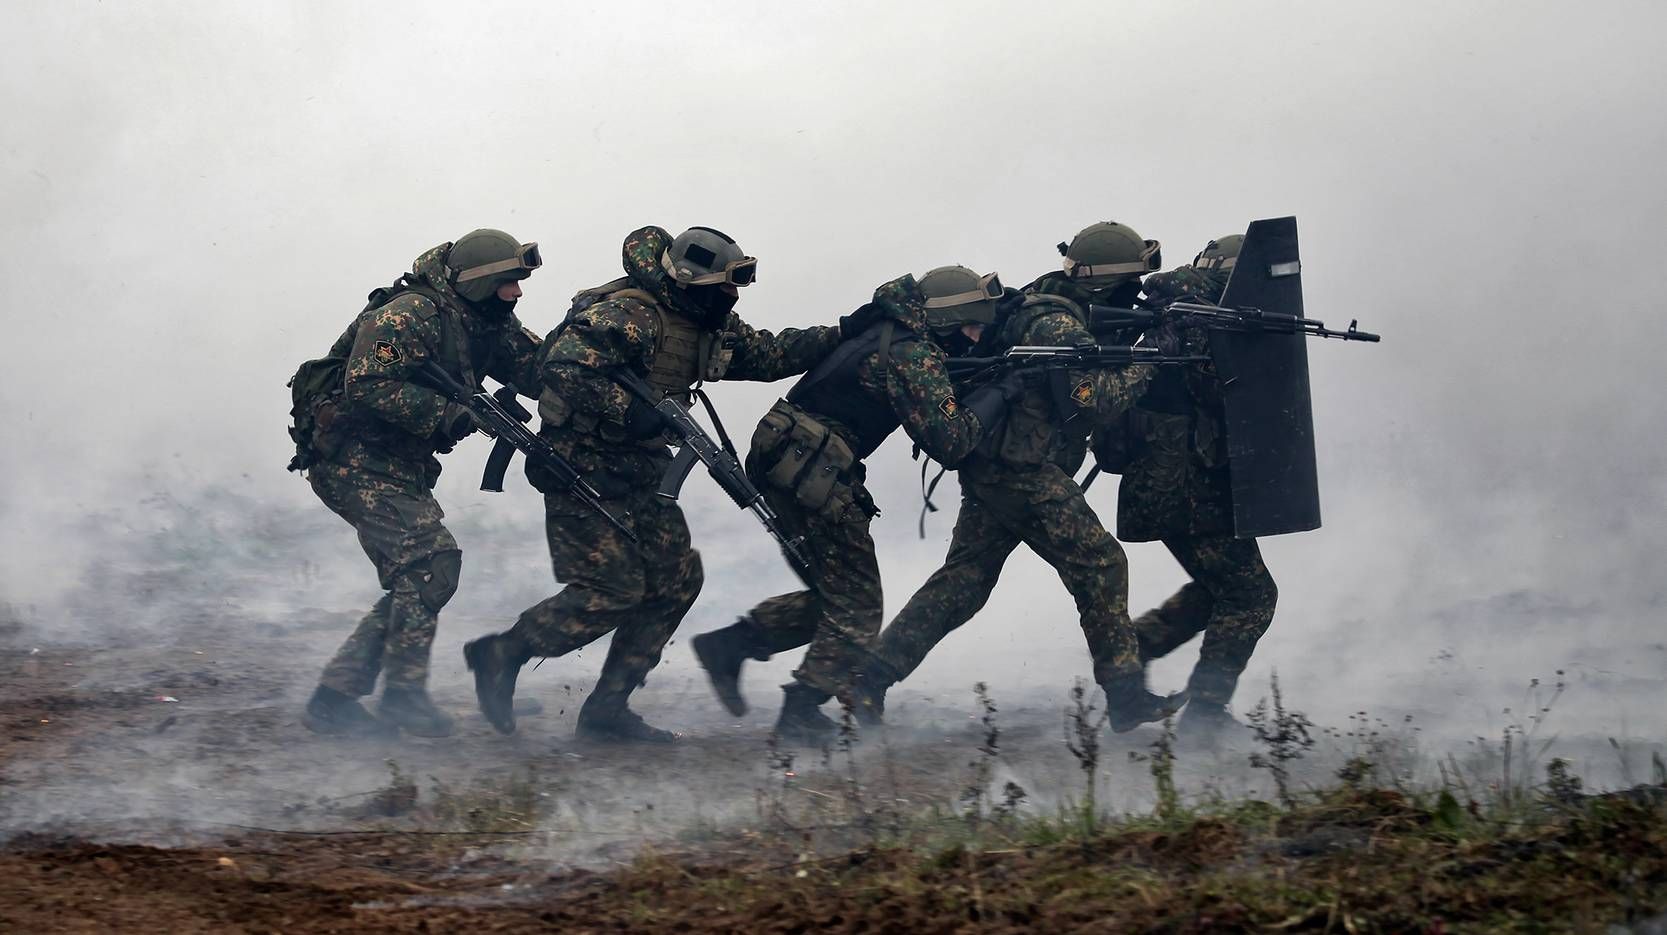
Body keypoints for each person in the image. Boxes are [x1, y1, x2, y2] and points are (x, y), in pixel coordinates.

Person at [463, 225, 845, 743]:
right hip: (581, 466)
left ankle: (606, 712)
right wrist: (631, 412)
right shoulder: (629, 314)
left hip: (641, 469)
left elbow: (772, 356)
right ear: (689, 281)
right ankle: (502, 653)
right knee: (611, 591)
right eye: (723, 288)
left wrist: (845, 332)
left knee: (677, 580)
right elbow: (561, 370)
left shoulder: (702, 320)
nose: (731, 298)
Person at [858, 222, 1183, 732]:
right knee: (1100, 563)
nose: (1138, 289)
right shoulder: (1056, 323)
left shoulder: (1048, 298)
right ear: (1106, 282)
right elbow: (1091, 401)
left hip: (999, 463)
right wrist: (1150, 358)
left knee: (965, 582)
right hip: (1023, 470)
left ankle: (867, 679)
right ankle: (1125, 696)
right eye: (1133, 280)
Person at [691, 267, 1024, 744]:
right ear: (950, 319)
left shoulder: (888, 330)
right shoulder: (914, 355)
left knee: (834, 596)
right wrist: (1003, 389)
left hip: (787, 455)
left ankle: (731, 645)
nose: (976, 336)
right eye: (972, 325)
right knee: (859, 607)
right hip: (816, 468)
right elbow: (952, 443)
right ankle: (801, 710)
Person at [293, 230, 545, 738]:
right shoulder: (410, 314)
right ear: (478, 283)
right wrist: (447, 412)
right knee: (431, 563)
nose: (517, 293)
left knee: (420, 575)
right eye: (508, 283)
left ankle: (336, 697)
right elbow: (364, 385)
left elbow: (540, 370)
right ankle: (402, 696)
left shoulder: (486, 321)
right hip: (351, 458)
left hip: (395, 463)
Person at [1116, 234, 1279, 743]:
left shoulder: (1183, 310)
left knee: (1220, 588)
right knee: (1252, 594)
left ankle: (1130, 652)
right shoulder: (1201, 319)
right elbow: (1221, 390)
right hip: (1183, 485)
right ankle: (1205, 713)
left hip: (1174, 481)